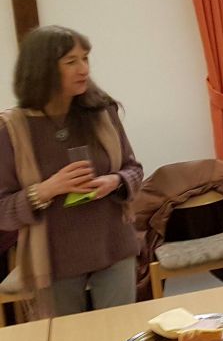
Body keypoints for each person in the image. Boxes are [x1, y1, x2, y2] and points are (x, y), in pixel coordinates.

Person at [0, 25, 142, 317]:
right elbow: (3, 210)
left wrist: (114, 181)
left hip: (114, 246)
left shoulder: (103, 112)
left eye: (85, 58)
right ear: (42, 68)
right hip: (53, 261)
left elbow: (134, 169)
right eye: (71, 61)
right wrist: (47, 189)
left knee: (120, 335)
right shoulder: (11, 129)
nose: (84, 69)